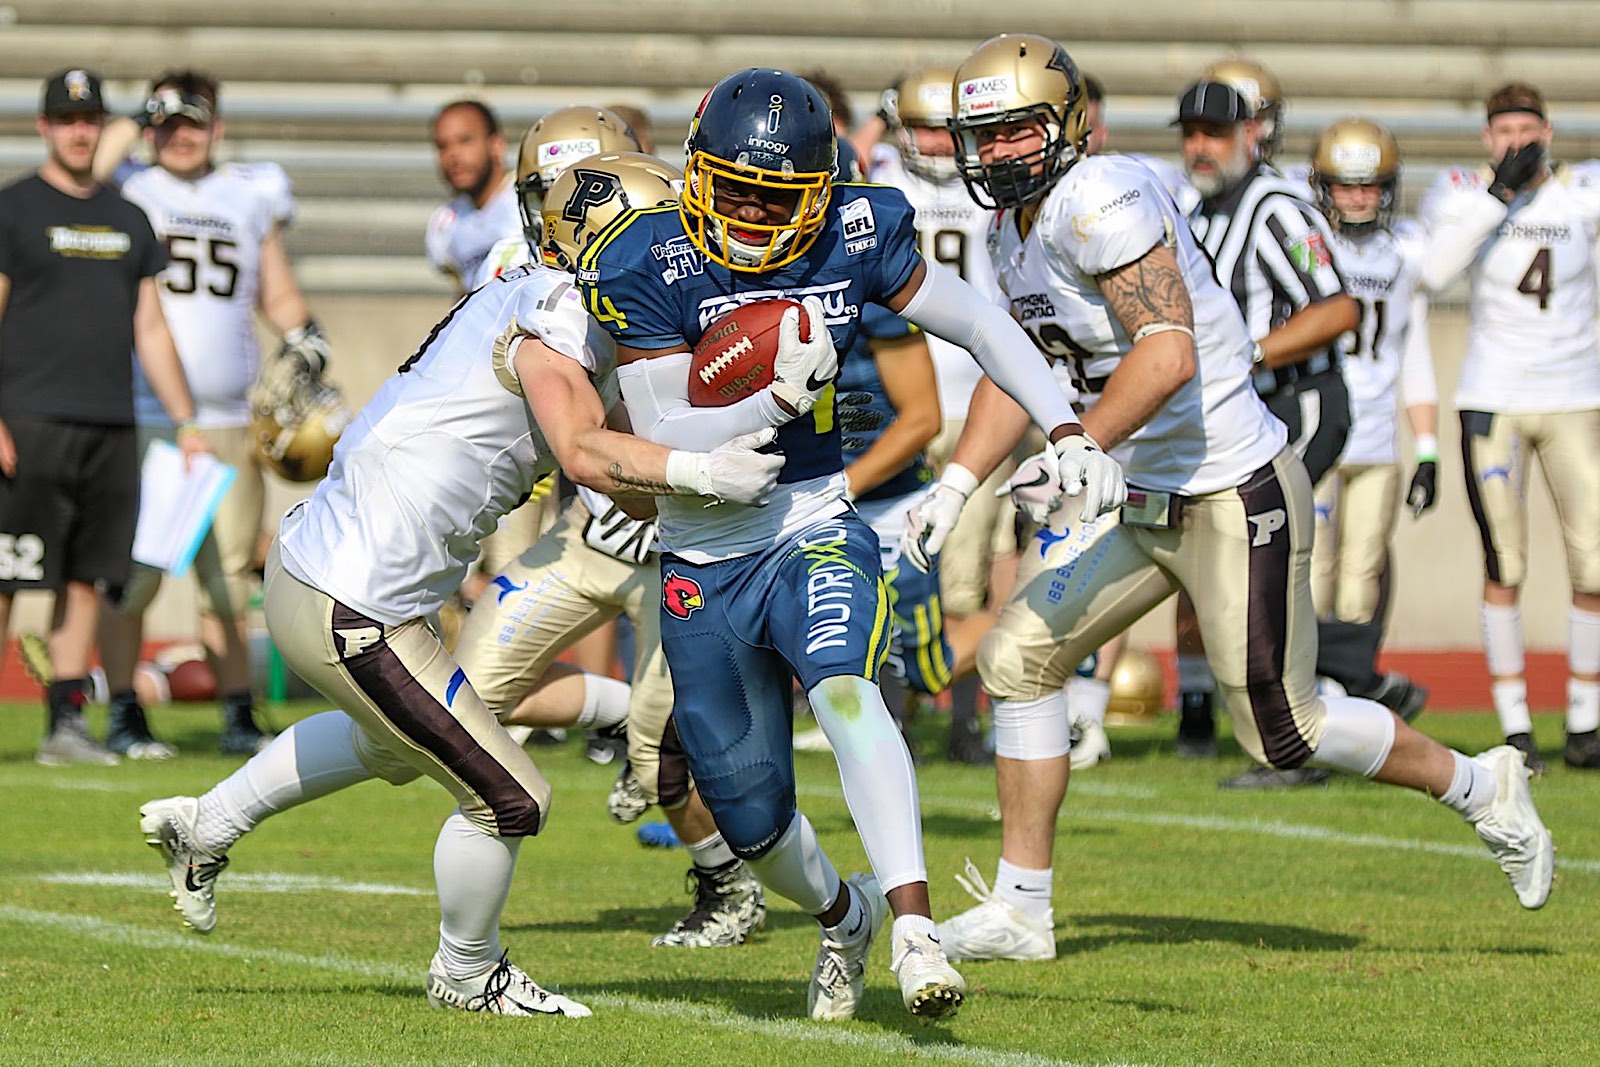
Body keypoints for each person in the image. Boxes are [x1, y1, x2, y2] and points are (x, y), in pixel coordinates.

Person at [902, 33, 1554, 964]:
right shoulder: (1013, 231)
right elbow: (1015, 369)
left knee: (1285, 731)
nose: (999, 151)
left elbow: (1168, 354)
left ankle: (1481, 783)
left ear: (1067, 124)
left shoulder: (1100, 197)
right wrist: (958, 484)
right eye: (986, 135)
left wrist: (1081, 441)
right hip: (1148, 497)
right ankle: (1022, 906)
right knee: (1017, 657)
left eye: (1016, 131)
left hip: (1231, 486)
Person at [135, 168, 785, 1017]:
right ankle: (467, 970)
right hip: (353, 602)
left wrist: (751, 430)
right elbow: (589, 453)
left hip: (335, 582)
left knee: (392, 747)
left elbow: (625, 483)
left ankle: (206, 824)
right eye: (657, 236)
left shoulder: (545, 301)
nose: (672, 257)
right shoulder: (554, 313)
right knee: (511, 796)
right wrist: (705, 467)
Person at [580, 67, 1124, 1021]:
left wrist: (1069, 429)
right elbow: (661, 435)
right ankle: (847, 913)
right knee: (749, 814)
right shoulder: (648, 257)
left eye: (774, 195)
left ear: (820, 192)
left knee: (844, 684)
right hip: (701, 552)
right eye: (732, 185)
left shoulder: (858, 228)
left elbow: (984, 325)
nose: (748, 212)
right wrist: (766, 397)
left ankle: (913, 924)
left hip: (811, 519)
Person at [455, 152, 768, 950]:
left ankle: (729, 886)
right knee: (459, 694)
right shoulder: (528, 279)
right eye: (547, 202)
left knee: (665, 751)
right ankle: (618, 708)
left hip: (680, 547)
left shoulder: (691, 274)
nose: (555, 227)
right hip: (593, 531)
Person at [1178, 80, 1428, 787]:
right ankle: (1357, 687)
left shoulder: (1273, 207)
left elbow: (1339, 309)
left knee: (1260, 570)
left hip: (1300, 403)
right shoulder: (1206, 207)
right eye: (1190, 132)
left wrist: (1250, 351)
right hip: (1249, 412)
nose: (1200, 146)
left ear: (1250, 136)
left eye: (1215, 133)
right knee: (1245, 569)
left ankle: (1311, 723)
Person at [92, 69, 321, 759]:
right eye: (166, 122)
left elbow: (274, 288)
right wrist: (139, 117)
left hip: (228, 417)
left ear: (217, 126)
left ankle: (236, 713)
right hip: (145, 414)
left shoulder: (248, 193)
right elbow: (89, 174)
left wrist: (306, 334)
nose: (179, 136)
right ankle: (125, 710)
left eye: (193, 122)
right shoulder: (130, 185)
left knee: (225, 575)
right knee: (137, 572)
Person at [0, 68, 211, 766]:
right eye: (66, 119)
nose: (80, 131)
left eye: (89, 119)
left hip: (110, 425)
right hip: (27, 424)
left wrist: (185, 422)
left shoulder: (128, 218)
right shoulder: (14, 209)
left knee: (87, 579)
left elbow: (149, 328)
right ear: (44, 126)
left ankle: (66, 724)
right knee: (6, 577)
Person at [1419, 82, 1600, 773]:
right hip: (1492, 395)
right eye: (1504, 131)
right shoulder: (1464, 193)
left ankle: (1584, 721)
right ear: (1486, 139)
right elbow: (1433, 272)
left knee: (1593, 559)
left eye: (1528, 129)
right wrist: (1499, 196)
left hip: (1575, 394)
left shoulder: (1580, 193)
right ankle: (1517, 723)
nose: (1517, 143)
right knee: (1507, 558)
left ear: (1549, 131)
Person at [872, 66, 1019, 763]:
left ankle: (964, 722)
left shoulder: (988, 188)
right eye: (920, 127)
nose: (931, 143)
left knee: (963, 577)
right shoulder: (879, 184)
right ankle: (897, 725)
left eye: (942, 128)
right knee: (893, 578)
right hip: (900, 407)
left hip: (973, 403)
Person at [1306, 117, 1443, 715]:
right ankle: (1307, 691)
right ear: (1323, 187)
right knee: (1308, 571)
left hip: (1379, 437)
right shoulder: (1307, 242)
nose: (1358, 197)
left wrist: (1429, 446)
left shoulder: (1405, 254)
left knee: (1362, 574)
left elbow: (1414, 355)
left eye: (1369, 185)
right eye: (1345, 185)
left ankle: (1348, 690)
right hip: (1316, 428)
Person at [426, 99, 518, 292]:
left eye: (465, 140)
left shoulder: (531, 201)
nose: (453, 155)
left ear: (497, 144)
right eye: (442, 146)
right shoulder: (445, 224)